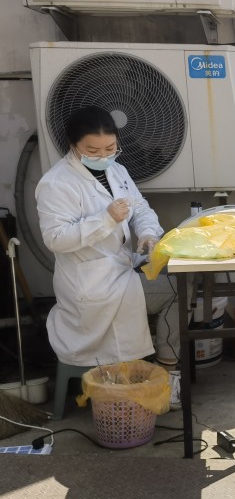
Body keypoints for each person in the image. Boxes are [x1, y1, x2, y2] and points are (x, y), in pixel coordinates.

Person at [35, 105, 163, 367]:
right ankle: (162, 366)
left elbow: (139, 207)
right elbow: (55, 238)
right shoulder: (56, 183)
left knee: (180, 282)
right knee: (174, 291)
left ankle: (167, 368)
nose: (103, 156)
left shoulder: (117, 171)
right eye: (93, 151)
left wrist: (148, 234)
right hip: (92, 284)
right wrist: (105, 219)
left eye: (110, 148)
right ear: (72, 145)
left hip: (121, 267)